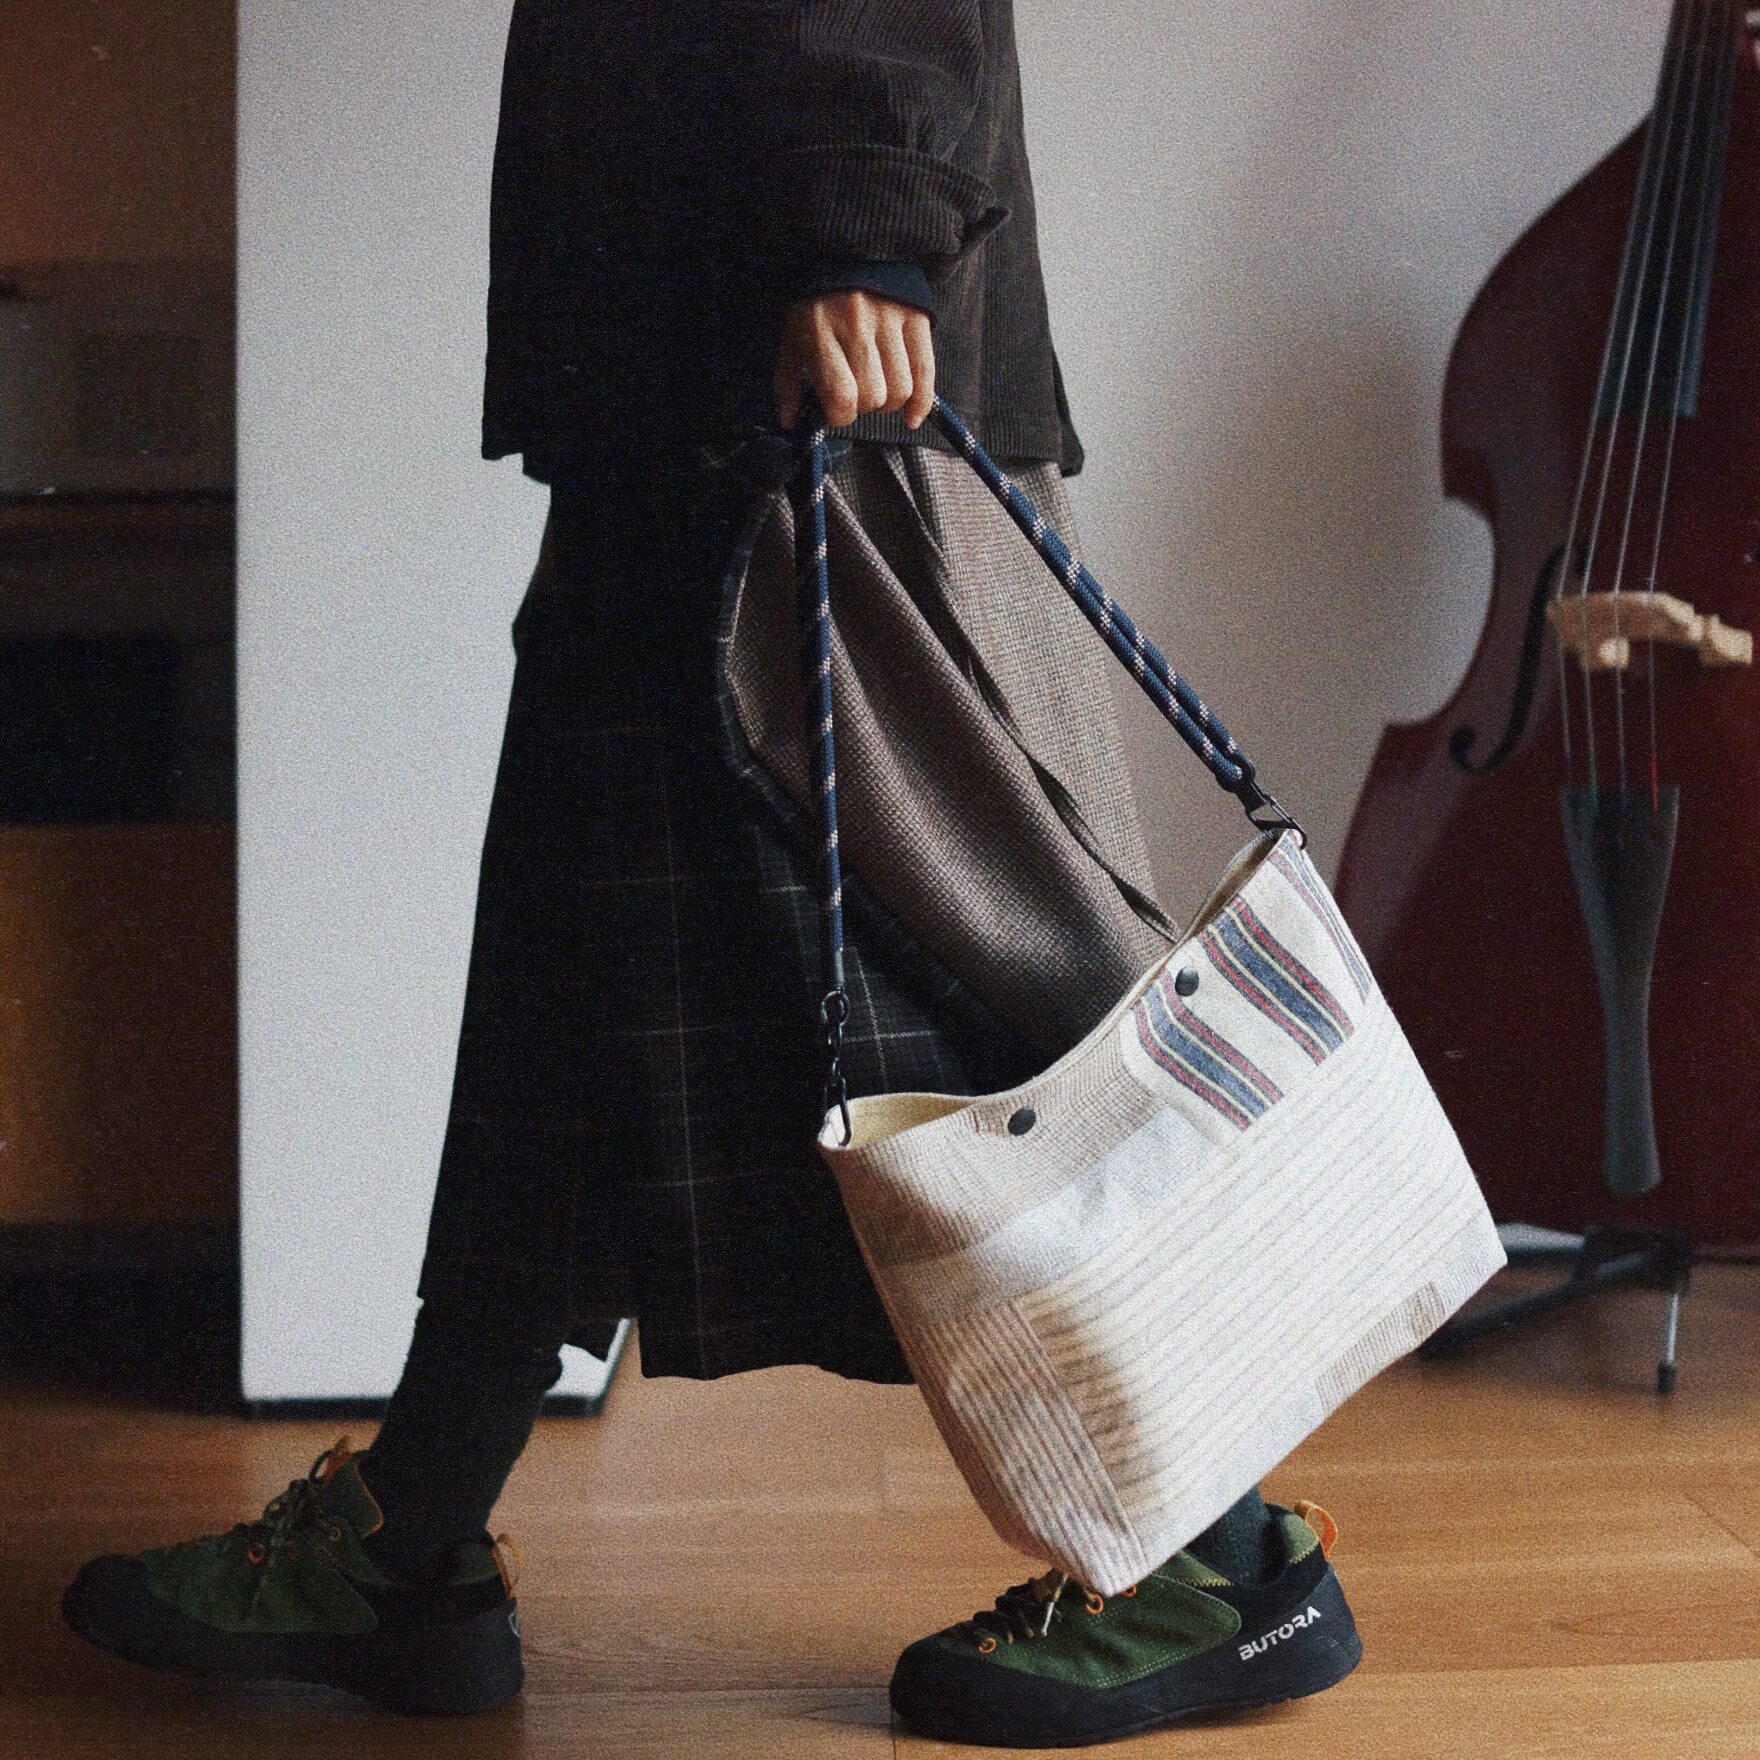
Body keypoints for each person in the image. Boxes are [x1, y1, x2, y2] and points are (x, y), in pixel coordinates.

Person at [61, 5, 1361, 1745]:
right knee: (573, 995)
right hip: (683, 377)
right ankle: (407, 1537)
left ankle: (1226, 1555)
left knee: (959, 994)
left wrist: (864, 219)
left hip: (796, 376)